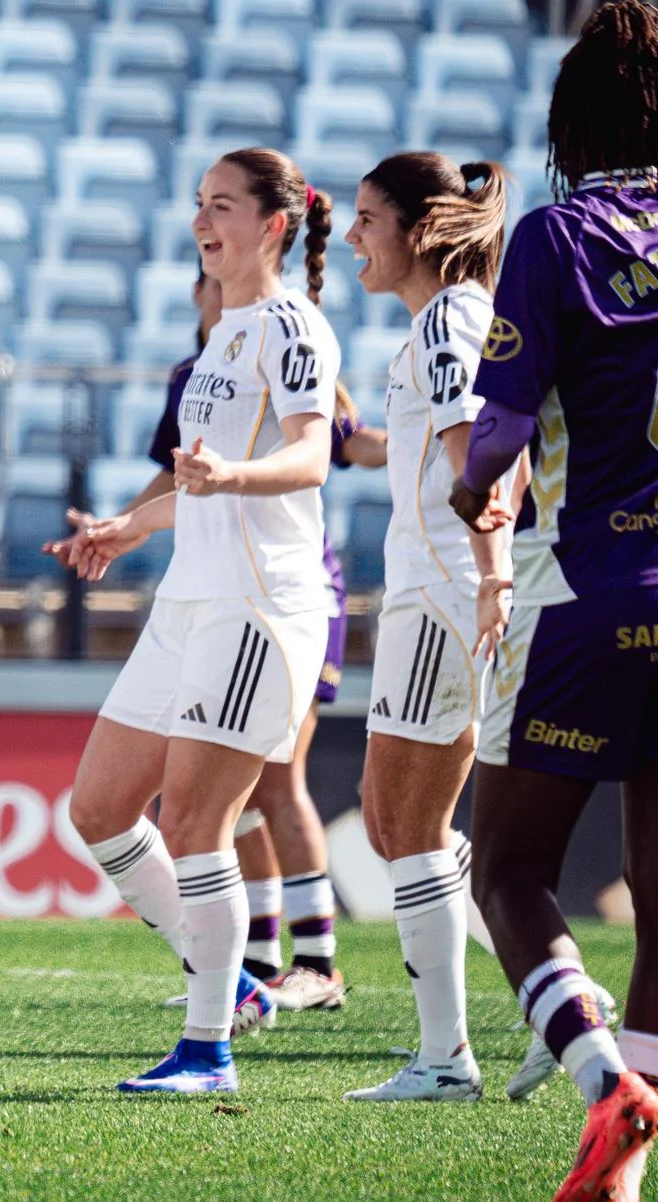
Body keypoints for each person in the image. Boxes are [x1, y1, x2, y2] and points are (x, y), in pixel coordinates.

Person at [47, 148, 341, 1094]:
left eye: (223, 206)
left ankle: (209, 1049)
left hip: (258, 611)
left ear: (273, 226)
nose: (203, 222)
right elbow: (194, 483)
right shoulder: (223, 336)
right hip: (186, 606)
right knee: (96, 809)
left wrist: (229, 478)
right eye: (198, 206)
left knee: (195, 824)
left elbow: (311, 458)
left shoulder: (295, 327)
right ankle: (236, 983)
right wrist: (124, 530)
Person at [451, 3, 658, 1196]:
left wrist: (472, 481)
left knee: (509, 869)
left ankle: (601, 1084)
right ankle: (626, 1168)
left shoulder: (557, 233)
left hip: (591, 589)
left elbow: (501, 429)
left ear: (571, 121)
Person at [338, 151, 536, 1102]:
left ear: (418, 230)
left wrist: (493, 576)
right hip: (436, 589)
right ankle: (555, 1003)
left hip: (449, 592)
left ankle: (449, 1057)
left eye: (368, 219)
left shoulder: (451, 321)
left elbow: (487, 461)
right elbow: (450, 443)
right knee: (392, 824)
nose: (351, 237)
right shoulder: (442, 325)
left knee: (407, 826)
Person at [135, 271, 385, 1016]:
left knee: (278, 780)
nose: (214, 299)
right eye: (205, 293)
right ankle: (259, 958)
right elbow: (167, 484)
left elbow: (340, 445)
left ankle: (318, 960)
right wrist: (118, 528)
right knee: (235, 793)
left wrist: (417, 440)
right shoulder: (196, 376)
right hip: (220, 592)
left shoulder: (283, 344)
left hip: (295, 593)